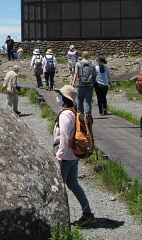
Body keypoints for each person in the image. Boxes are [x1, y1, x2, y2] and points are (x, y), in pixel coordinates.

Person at [53, 84, 97, 228]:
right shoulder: (74, 112)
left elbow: (64, 138)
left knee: (58, 187)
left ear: (65, 98)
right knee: (73, 184)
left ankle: (58, 219)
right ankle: (87, 213)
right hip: (74, 155)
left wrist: (59, 156)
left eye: (60, 94)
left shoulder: (65, 115)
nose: (58, 97)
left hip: (65, 156)